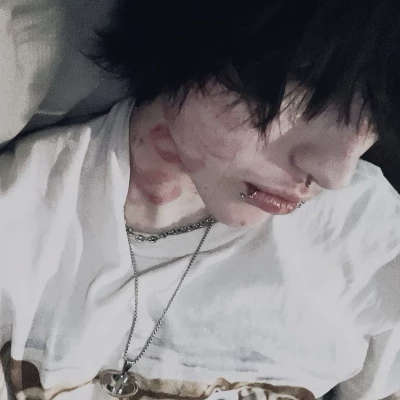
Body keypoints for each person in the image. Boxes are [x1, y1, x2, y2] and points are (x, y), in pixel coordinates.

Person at [0, 0, 399, 399]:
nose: (336, 175)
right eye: (308, 86)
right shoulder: (20, 218)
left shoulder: (369, 236)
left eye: (377, 118)